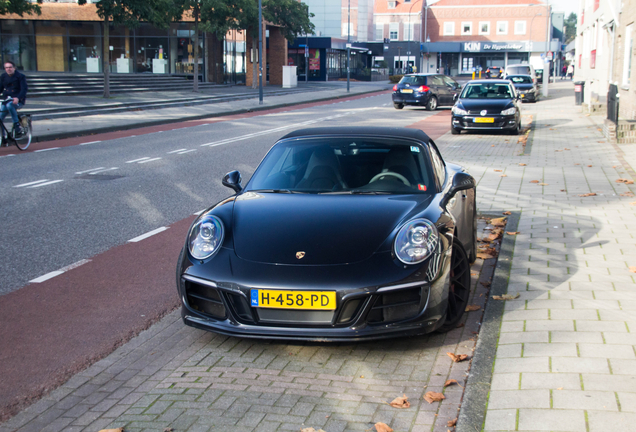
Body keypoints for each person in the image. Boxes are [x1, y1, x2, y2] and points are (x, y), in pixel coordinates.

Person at [0, 61, 28, 136]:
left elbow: (24, 89)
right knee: (0, 118)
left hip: (18, 100)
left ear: (14, 68)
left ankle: (17, 125)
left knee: (10, 105)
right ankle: (3, 137)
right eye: (6, 67)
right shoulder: (3, 76)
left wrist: (18, 98)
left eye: (10, 67)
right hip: (6, 99)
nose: (8, 69)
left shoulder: (20, 76)